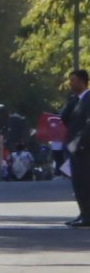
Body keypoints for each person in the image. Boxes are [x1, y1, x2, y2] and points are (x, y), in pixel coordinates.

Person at [61, 70, 90, 226]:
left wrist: (81, 143)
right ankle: (83, 213)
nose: (70, 83)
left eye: (73, 80)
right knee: (78, 183)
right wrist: (71, 101)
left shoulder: (88, 99)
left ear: (83, 82)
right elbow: (64, 118)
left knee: (85, 182)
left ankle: (88, 216)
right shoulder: (77, 100)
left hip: (84, 148)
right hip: (74, 148)